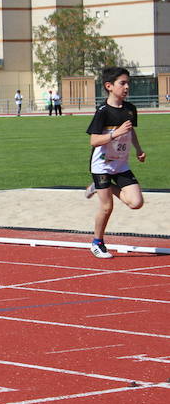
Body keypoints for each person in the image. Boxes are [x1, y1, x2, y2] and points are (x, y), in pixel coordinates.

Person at [84, 66, 146, 259]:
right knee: (107, 207)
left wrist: (138, 149)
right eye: (122, 83)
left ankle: (100, 187)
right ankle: (97, 243)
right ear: (109, 86)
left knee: (136, 202)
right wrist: (115, 133)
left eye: (128, 83)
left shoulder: (130, 109)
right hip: (102, 165)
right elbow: (94, 140)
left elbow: (130, 130)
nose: (127, 87)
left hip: (121, 164)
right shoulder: (102, 111)